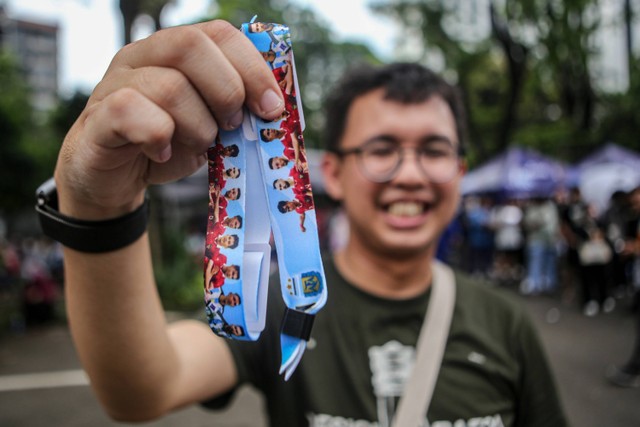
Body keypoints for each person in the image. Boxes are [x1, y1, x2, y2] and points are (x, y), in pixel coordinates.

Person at [49, 20, 566, 426]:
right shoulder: (278, 306)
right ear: (333, 174)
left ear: (459, 172)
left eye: (433, 150)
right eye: (381, 149)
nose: (410, 175)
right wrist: (98, 207)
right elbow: (142, 388)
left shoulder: (508, 325)